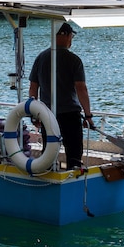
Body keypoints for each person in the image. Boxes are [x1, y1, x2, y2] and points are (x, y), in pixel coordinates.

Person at [28, 22, 95, 170]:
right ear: (65, 35)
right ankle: (73, 177)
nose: (71, 39)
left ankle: (48, 177)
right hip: (70, 114)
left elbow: (33, 88)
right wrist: (88, 115)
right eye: (71, 35)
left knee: (48, 151)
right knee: (74, 153)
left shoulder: (41, 58)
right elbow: (81, 88)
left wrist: (35, 114)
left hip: (47, 114)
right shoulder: (73, 60)